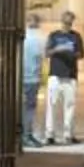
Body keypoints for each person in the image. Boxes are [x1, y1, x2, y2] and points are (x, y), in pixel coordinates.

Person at [39, 13, 84, 144]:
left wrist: (72, 52)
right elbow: (46, 53)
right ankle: (50, 135)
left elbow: (81, 54)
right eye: (66, 22)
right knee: (52, 105)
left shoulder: (76, 36)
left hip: (70, 76)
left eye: (70, 22)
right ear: (61, 21)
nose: (67, 25)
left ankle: (68, 134)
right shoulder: (54, 36)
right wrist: (57, 50)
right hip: (55, 75)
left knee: (69, 105)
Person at [19, 12, 51, 148]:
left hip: (19, 76)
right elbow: (45, 55)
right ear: (38, 23)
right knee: (30, 108)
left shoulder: (21, 36)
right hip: (32, 77)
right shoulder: (41, 38)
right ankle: (27, 135)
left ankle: (21, 134)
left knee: (20, 106)